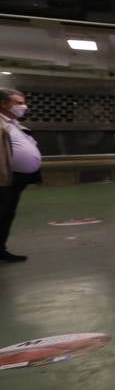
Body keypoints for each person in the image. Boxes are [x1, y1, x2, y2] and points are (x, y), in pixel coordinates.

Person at [0, 89, 41, 262]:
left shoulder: (13, 123)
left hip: (15, 180)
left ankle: (0, 249)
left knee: (6, 215)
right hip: (2, 180)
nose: (24, 106)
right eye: (18, 103)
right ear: (3, 104)